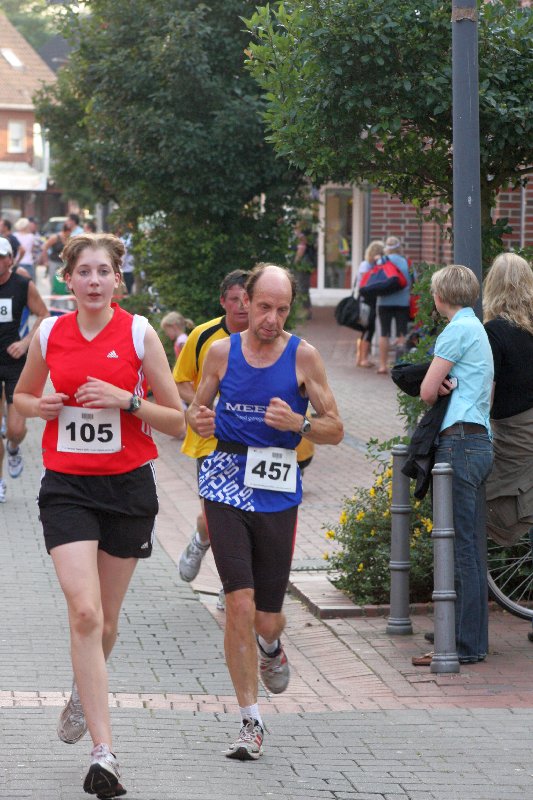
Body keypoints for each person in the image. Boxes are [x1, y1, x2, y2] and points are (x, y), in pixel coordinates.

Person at [13, 233, 185, 797]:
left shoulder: (139, 333)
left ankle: (79, 696)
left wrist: (126, 400)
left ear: (117, 280)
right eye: (83, 271)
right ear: (68, 279)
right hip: (67, 487)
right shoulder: (51, 332)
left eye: (103, 272)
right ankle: (104, 753)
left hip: (127, 489)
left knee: (106, 622)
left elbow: (177, 421)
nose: (93, 281)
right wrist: (42, 406)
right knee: (84, 613)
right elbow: (22, 397)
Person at [187, 263, 343, 759]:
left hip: (276, 490)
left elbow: (336, 428)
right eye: (263, 307)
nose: (271, 318)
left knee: (267, 619)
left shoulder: (304, 357)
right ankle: (249, 721)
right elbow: (195, 410)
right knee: (239, 601)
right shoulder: (220, 353)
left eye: (281, 309)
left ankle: (271, 648)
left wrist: (299, 423)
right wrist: (200, 419)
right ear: (244, 303)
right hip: (224, 482)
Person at [412, 264, 493, 667]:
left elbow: (427, 391)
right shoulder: (478, 329)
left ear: (439, 297)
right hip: (479, 440)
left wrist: (437, 387)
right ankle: (469, 635)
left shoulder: (455, 330)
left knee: (459, 546)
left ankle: (463, 645)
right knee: (470, 546)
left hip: (457, 442)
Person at [174, 270, 250, 589]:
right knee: (215, 516)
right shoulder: (203, 335)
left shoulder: (269, 336)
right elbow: (180, 382)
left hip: (253, 441)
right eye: (235, 299)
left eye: (248, 299)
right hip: (210, 439)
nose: (242, 306)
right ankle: (201, 541)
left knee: (245, 515)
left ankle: (231, 585)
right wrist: (208, 404)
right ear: (223, 301)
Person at [482, 253, 533, 643]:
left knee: (476, 507)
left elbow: (487, 393)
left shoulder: (493, 333)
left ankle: (463, 618)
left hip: (514, 435)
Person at [0, 237, 49, 503]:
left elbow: (43, 313)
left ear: (10, 259)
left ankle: (14, 447)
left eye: (0, 257)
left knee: (16, 429)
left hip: (15, 362)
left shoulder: (22, 285)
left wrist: (26, 342)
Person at [377, 235, 410, 374]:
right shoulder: (406, 262)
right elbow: (412, 282)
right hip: (402, 302)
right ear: (399, 247)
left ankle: (382, 365)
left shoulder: (381, 261)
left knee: (384, 333)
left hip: (384, 302)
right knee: (401, 334)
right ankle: (400, 366)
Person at [355, 240, 384, 368]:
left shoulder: (366, 264)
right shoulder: (366, 265)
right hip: (366, 301)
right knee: (368, 328)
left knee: (366, 329)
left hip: (367, 300)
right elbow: (367, 282)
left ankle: (360, 358)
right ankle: (363, 359)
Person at [41, 223, 71, 288]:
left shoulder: (69, 238)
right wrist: (45, 261)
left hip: (64, 263)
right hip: (54, 262)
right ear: (65, 231)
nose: (69, 233)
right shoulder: (55, 237)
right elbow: (44, 247)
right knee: (53, 281)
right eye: (68, 232)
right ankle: (53, 292)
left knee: (64, 282)